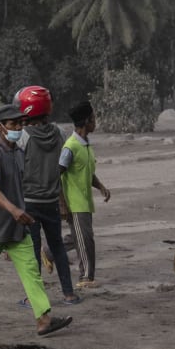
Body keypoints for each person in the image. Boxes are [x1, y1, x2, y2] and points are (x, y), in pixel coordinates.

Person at [0, 104, 72, 337]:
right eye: (13, 124)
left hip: (17, 227)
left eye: (21, 123)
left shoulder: (19, 153)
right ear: (0, 127)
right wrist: (14, 210)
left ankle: (43, 319)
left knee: (31, 271)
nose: (18, 128)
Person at [15, 86, 80, 305]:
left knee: (32, 252)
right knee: (58, 247)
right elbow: (60, 169)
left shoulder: (23, 137)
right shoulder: (60, 133)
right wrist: (62, 201)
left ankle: (34, 298)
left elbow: (17, 170)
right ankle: (69, 294)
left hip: (29, 202)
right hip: (51, 200)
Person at [60, 101, 110, 288]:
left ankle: (47, 252)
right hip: (74, 202)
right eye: (94, 119)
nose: (95, 122)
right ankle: (86, 277)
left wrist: (100, 186)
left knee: (79, 236)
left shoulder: (86, 145)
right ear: (86, 121)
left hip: (85, 201)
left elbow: (86, 172)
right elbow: (57, 175)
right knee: (85, 240)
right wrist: (62, 204)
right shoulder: (70, 147)